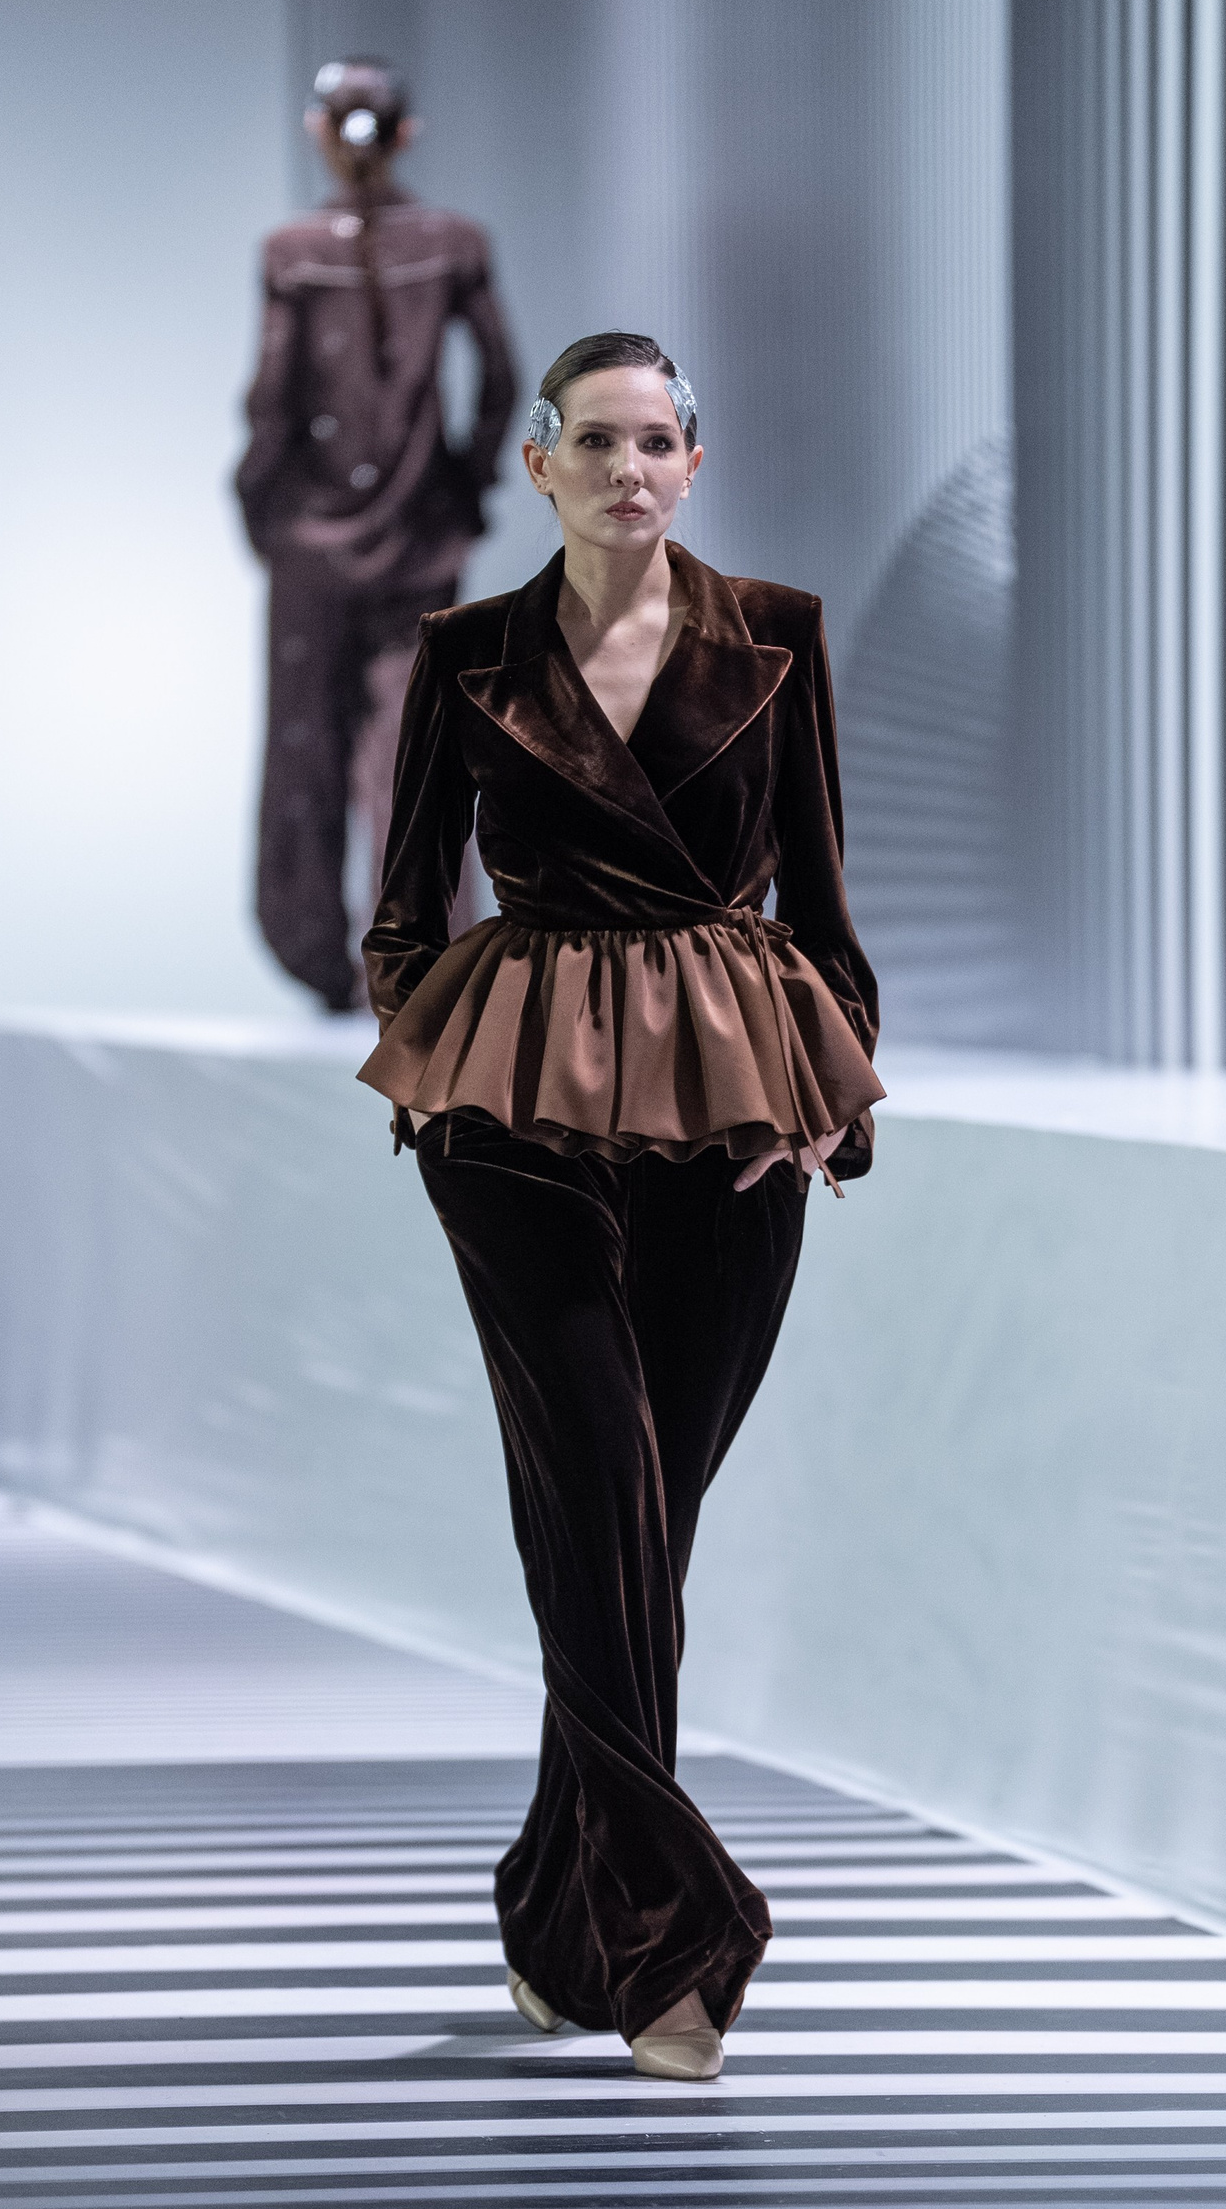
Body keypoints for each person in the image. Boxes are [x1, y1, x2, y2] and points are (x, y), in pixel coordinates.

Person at [357, 331, 883, 2079]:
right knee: (597, 1492)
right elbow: (406, 901)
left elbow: (822, 895)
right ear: (539, 465)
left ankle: (549, 1907)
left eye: (656, 441)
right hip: (517, 1104)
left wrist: (824, 1101)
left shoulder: (779, 635)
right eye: (596, 442)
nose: (628, 469)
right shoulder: (469, 651)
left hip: (727, 1110)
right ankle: (679, 1937)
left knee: (638, 1537)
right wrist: (432, 1068)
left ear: (694, 461)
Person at [236, 57, 518, 1011]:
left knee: (308, 745)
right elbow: (502, 379)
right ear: (407, 132)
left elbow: (272, 401)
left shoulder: (290, 251)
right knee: (417, 754)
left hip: (312, 544)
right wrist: (465, 486)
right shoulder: (454, 243)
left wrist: (260, 505)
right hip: (421, 537)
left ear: (319, 130)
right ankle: (420, 967)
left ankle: (321, 959)